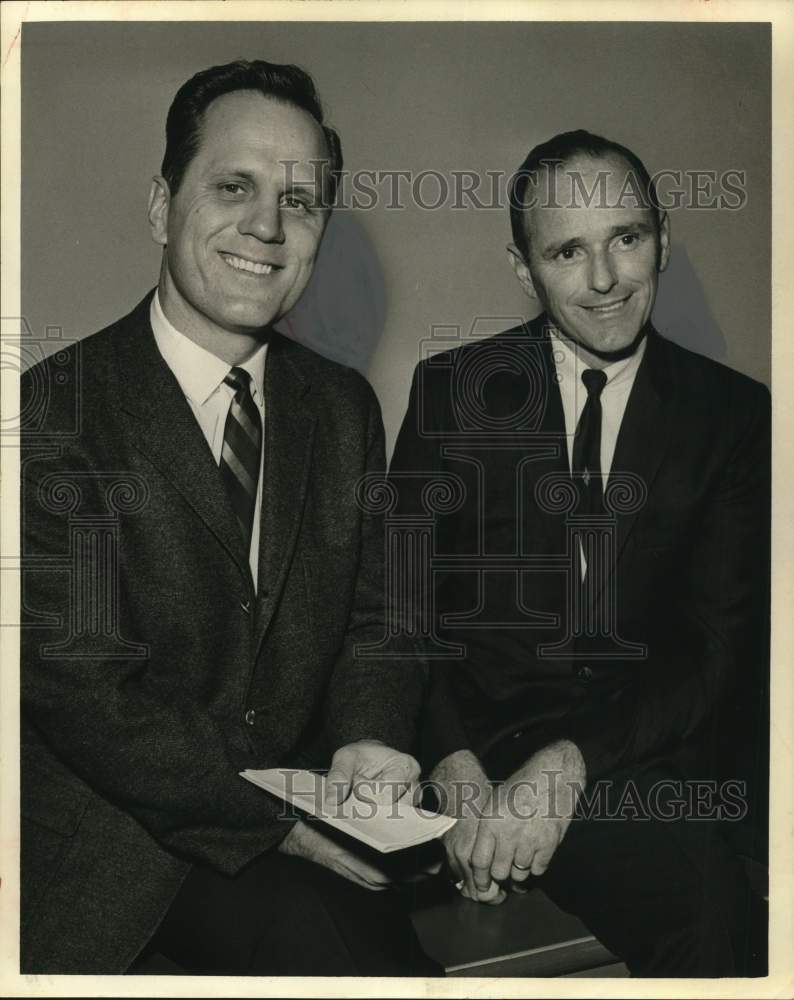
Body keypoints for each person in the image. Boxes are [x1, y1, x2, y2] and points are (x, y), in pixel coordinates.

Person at [20, 59, 439, 976]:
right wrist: (278, 823)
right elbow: (87, 698)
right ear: (163, 206)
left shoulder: (343, 408)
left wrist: (370, 737)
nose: (268, 226)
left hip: (306, 835)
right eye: (234, 187)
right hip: (120, 851)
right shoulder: (56, 411)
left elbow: (382, 617)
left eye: (302, 199)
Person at [390, 130, 770, 976]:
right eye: (568, 251)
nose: (604, 281)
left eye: (626, 239)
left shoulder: (735, 418)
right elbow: (400, 614)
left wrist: (567, 768)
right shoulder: (451, 394)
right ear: (525, 270)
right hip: (476, 761)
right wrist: (455, 773)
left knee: (710, 902)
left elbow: (715, 653)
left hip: (640, 760)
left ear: (663, 238)